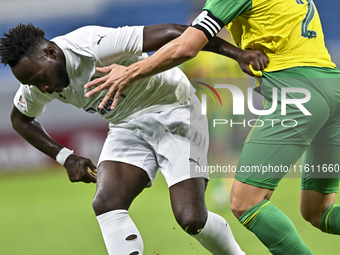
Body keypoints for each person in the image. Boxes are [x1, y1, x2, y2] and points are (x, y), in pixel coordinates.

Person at [83, 0, 340, 254]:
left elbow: (187, 46)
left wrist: (130, 73)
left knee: (245, 203)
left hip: (297, 95)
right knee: (319, 212)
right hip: (332, 88)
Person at [0, 22, 268, 255]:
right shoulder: (37, 82)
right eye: (34, 85)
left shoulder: (93, 45)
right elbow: (21, 120)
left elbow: (176, 32)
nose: (42, 88)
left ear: (50, 52)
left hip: (174, 109)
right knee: (106, 204)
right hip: (125, 125)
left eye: (40, 79)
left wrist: (238, 54)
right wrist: (65, 157)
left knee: (191, 220)